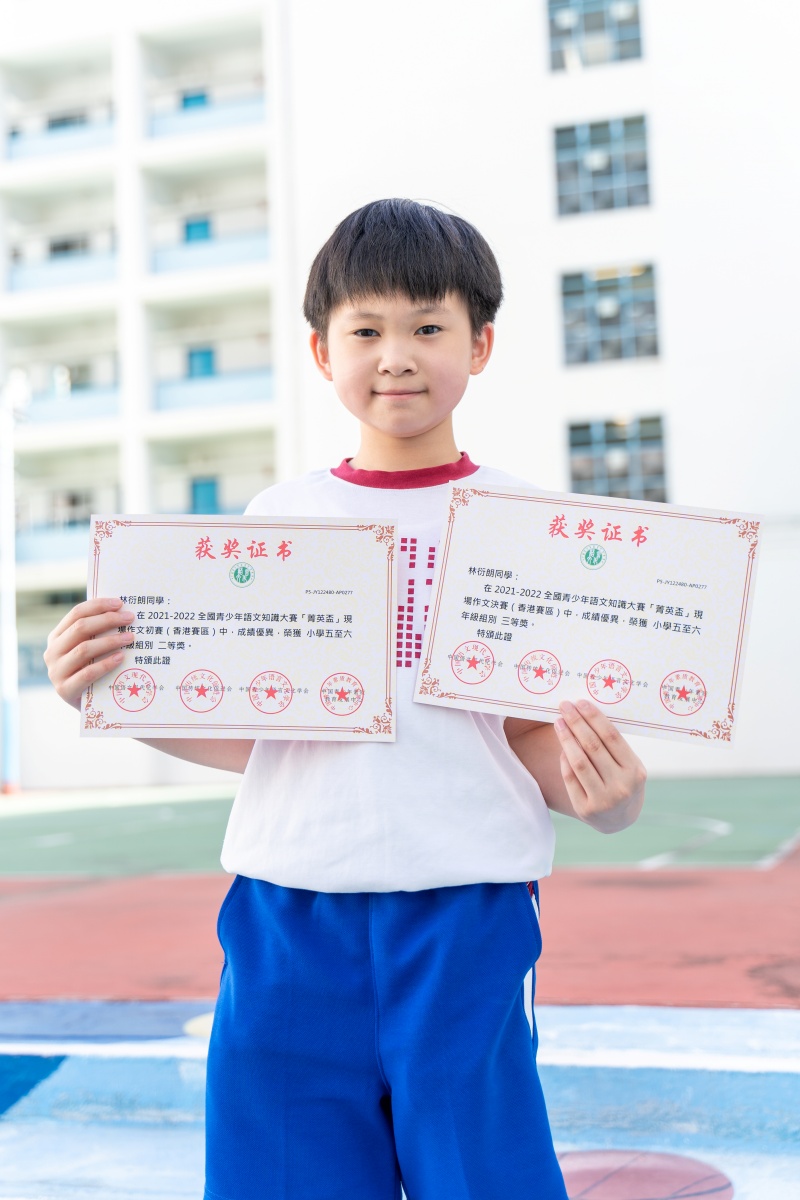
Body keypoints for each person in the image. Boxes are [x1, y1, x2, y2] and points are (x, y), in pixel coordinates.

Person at [45, 198, 647, 1200]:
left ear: (480, 343)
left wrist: (609, 797)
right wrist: (110, 694)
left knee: (483, 1178)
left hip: (464, 911)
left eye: (427, 327)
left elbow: (526, 734)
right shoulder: (278, 522)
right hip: (288, 915)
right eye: (365, 331)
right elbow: (265, 740)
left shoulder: (523, 523)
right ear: (322, 352)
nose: (396, 357)